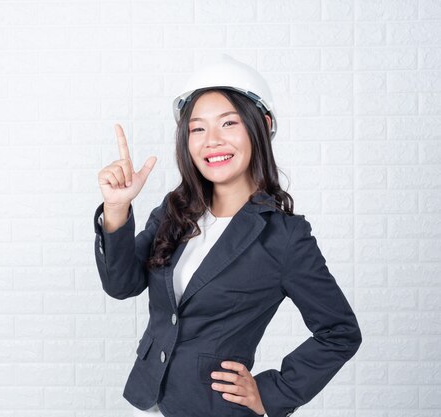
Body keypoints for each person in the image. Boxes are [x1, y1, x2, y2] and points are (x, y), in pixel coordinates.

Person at [93, 55, 362, 417]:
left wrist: (271, 392)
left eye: (228, 123)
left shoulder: (283, 236)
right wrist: (116, 209)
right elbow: (121, 285)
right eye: (198, 128)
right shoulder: (174, 211)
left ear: (262, 126)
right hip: (149, 401)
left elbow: (339, 332)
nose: (211, 141)